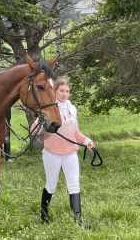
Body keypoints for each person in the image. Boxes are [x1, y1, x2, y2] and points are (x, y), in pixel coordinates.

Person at [31, 76, 95, 226]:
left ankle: (78, 221)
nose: (64, 94)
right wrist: (39, 120)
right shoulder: (49, 108)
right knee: (51, 185)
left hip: (70, 153)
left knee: (74, 184)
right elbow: (33, 131)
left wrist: (87, 141)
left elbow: (75, 132)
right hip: (52, 154)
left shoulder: (72, 109)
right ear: (55, 90)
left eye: (67, 91)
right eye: (61, 90)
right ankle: (44, 215)